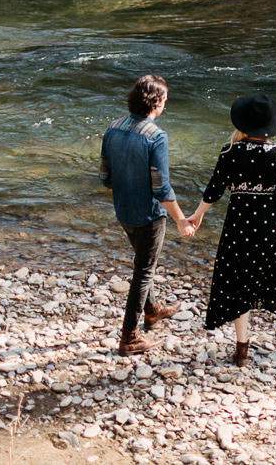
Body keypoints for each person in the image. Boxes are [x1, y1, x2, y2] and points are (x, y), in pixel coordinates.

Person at [187, 93, 276, 367]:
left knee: (238, 281)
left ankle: (242, 348)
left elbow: (214, 190)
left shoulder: (229, 151)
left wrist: (196, 216)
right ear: (269, 126)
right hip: (270, 227)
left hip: (239, 226)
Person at [100, 74, 194, 356]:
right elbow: (161, 187)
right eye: (165, 99)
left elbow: (105, 178)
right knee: (143, 272)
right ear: (157, 102)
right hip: (150, 215)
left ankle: (153, 310)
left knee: (143, 262)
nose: (166, 104)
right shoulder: (157, 136)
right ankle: (129, 337)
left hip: (123, 210)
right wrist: (180, 219)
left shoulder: (112, 128)